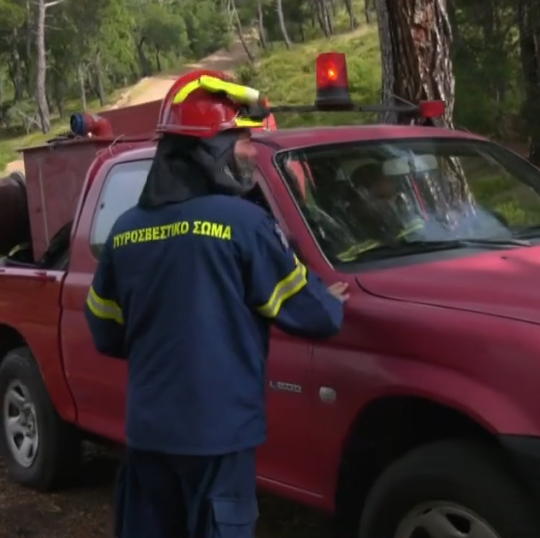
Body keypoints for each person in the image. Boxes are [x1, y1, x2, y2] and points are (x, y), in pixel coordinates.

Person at [84, 69, 349, 538]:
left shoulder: (124, 232)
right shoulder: (244, 224)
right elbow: (313, 316)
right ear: (209, 153)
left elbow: (105, 330)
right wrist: (330, 302)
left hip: (148, 435)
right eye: (240, 143)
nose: (248, 153)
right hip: (218, 439)